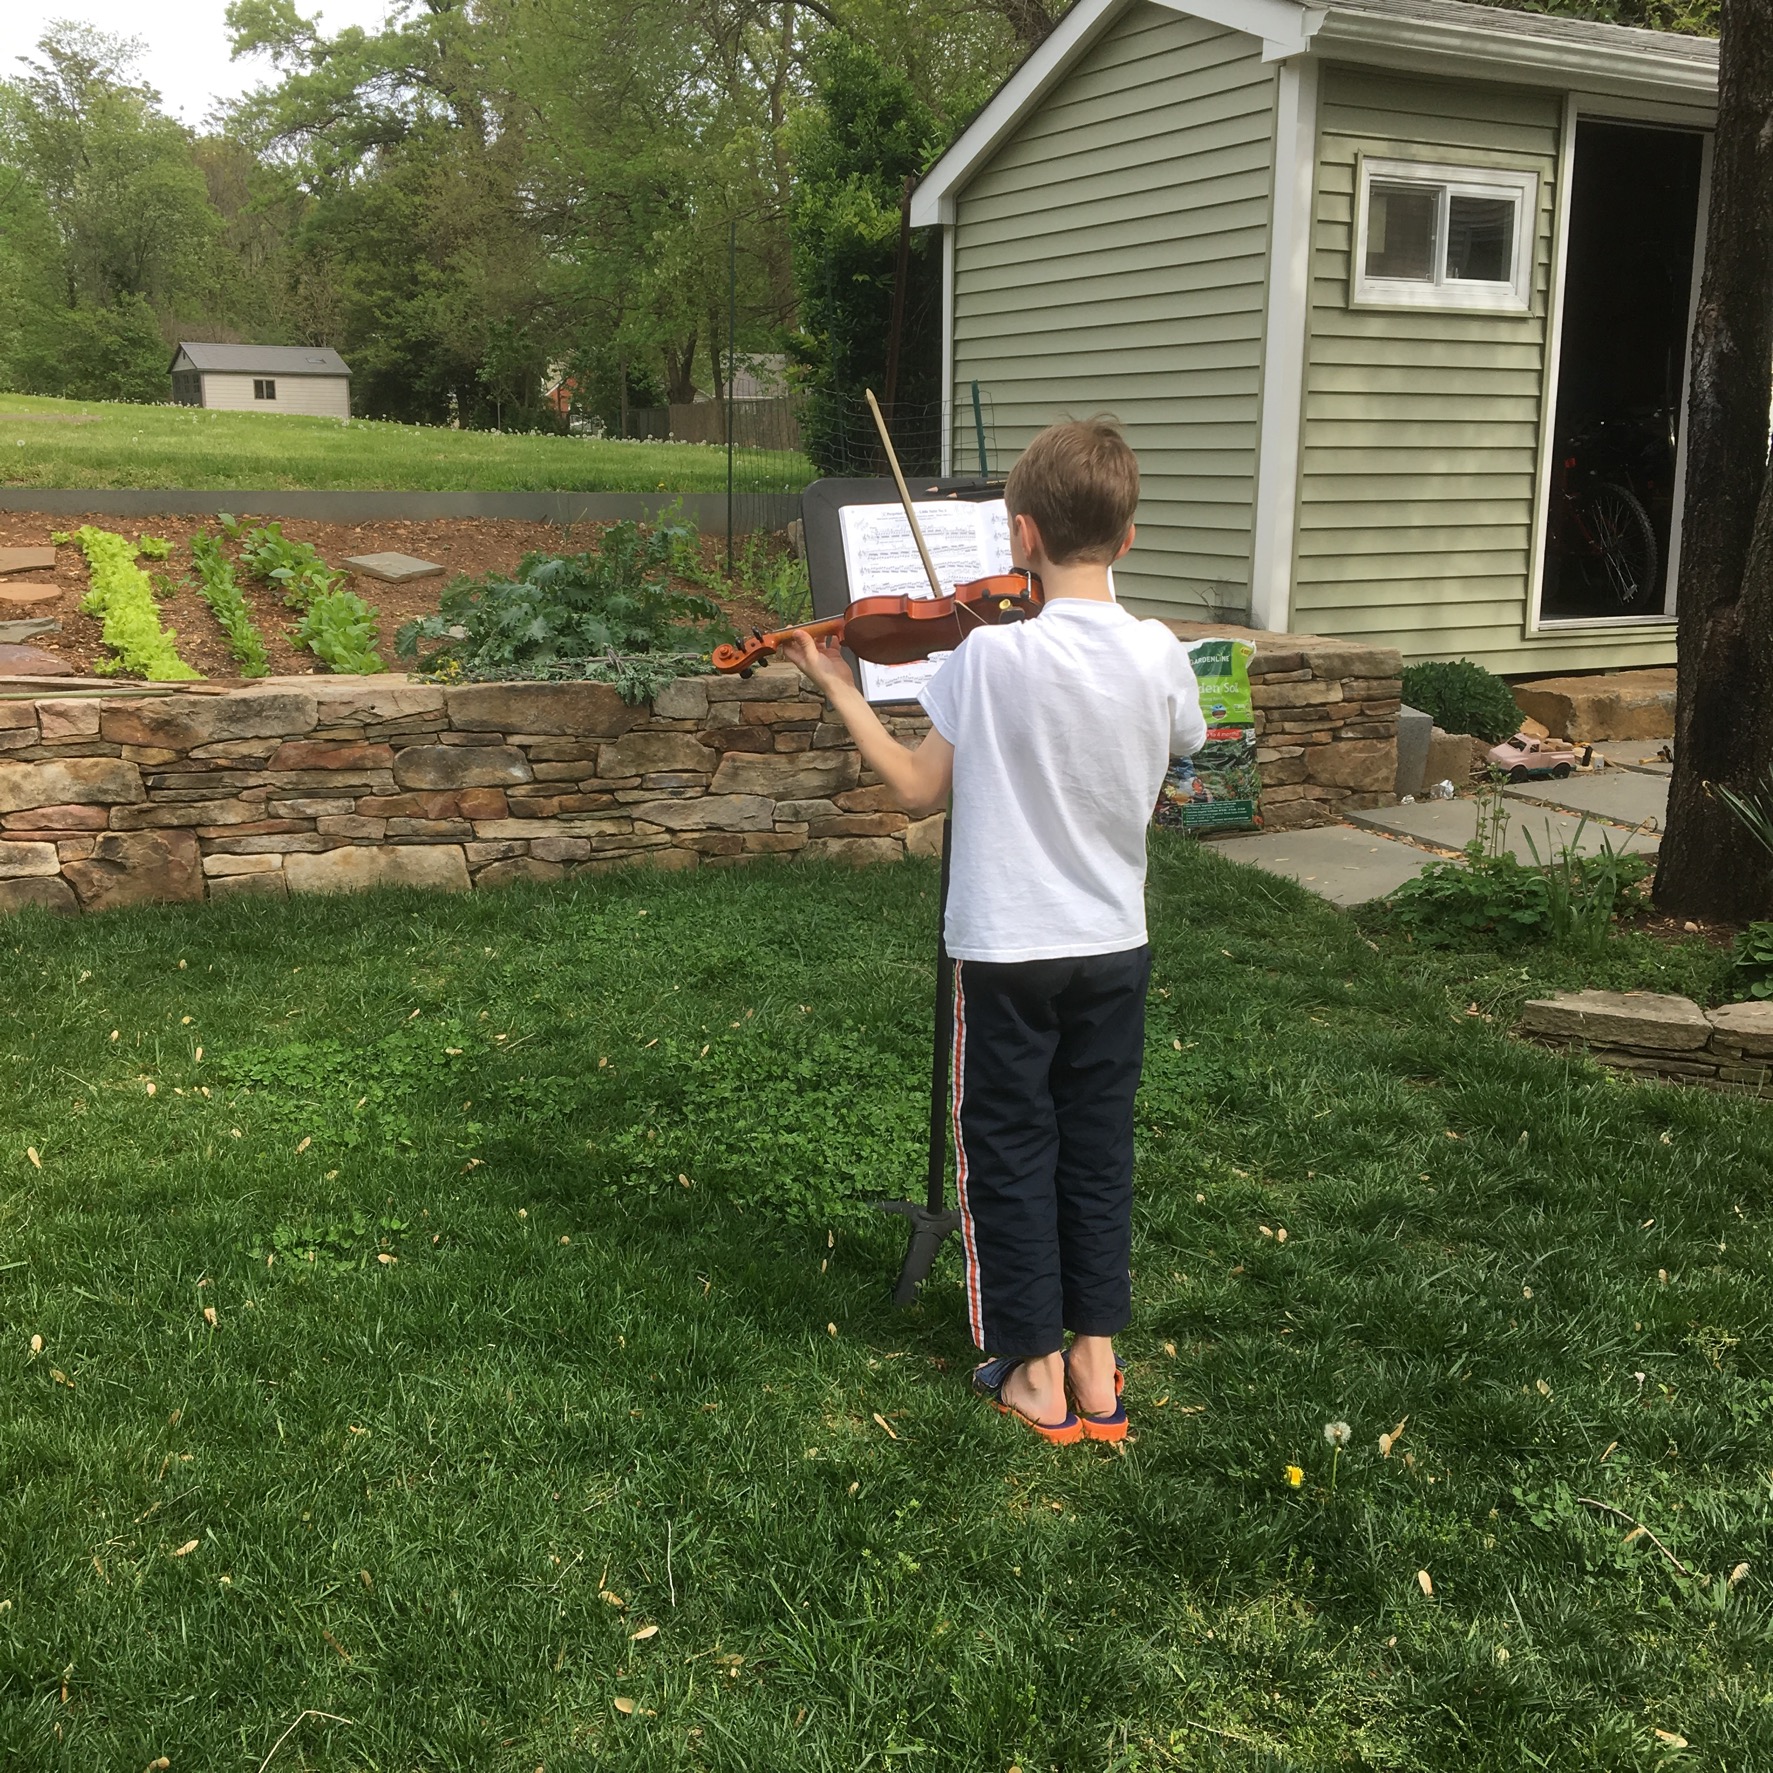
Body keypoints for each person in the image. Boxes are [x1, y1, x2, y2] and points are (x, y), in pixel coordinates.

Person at [780, 418, 1206, 1444]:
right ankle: (1096, 1363)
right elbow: (1183, 747)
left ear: (1021, 535)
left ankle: (1033, 1373)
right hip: (1113, 942)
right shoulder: (1160, 654)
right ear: (1128, 537)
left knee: (1010, 1147)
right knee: (1096, 1145)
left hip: (1010, 948)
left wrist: (839, 687)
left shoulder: (989, 656)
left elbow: (916, 788)